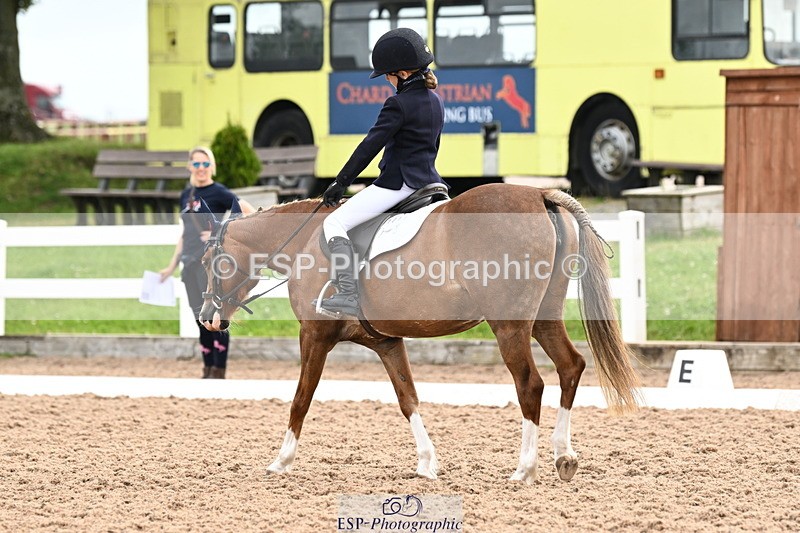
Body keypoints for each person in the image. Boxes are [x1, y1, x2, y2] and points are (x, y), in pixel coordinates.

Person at [316, 27, 447, 318]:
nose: (387, 81)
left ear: (400, 73)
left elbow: (369, 146)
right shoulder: (436, 100)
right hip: (432, 183)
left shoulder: (397, 103)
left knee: (334, 224)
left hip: (398, 184)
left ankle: (348, 295)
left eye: (387, 75)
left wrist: (341, 182)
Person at [160, 146, 254, 379]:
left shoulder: (219, 192)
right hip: (189, 262)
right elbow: (185, 233)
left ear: (211, 167)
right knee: (199, 316)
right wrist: (172, 265)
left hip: (209, 263)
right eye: (196, 164)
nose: (201, 169)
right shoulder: (186, 194)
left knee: (215, 314)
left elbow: (247, 211)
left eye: (205, 164)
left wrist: (220, 231)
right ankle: (207, 368)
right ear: (190, 166)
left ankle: (219, 370)